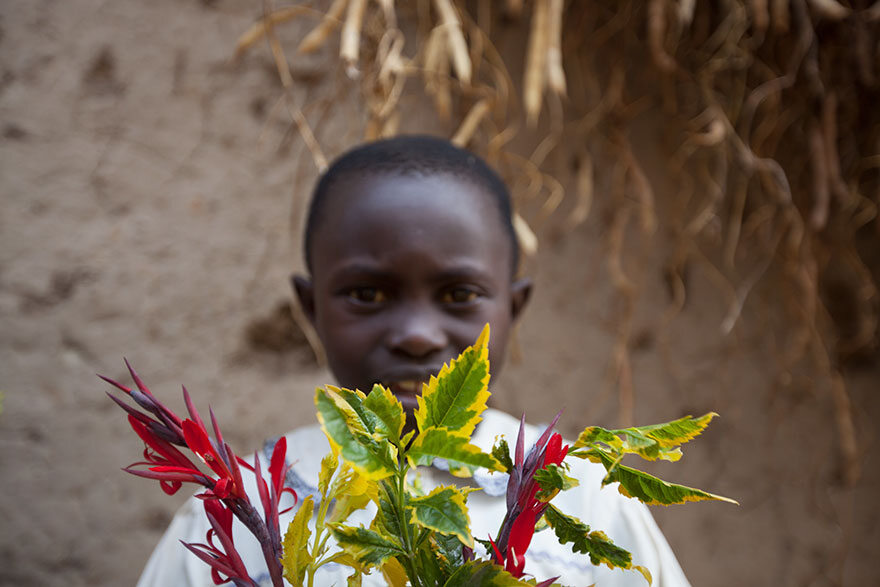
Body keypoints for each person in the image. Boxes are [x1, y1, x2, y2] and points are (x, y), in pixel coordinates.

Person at [136, 135, 690, 586]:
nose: (418, 336)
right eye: (368, 295)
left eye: (458, 296)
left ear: (514, 308)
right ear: (311, 308)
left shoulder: (590, 501)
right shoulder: (240, 508)